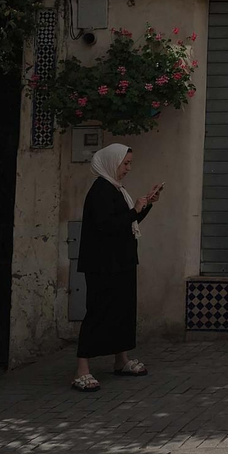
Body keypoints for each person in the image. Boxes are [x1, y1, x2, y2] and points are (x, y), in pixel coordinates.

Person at [71, 142, 163, 392]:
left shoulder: (116, 190)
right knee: (99, 311)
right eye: (125, 163)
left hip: (120, 261)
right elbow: (107, 226)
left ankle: (120, 360)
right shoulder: (100, 191)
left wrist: (146, 205)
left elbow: (125, 223)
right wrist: (134, 209)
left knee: (122, 310)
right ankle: (82, 369)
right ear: (112, 163)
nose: (128, 168)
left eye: (129, 163)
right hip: (103, 264)